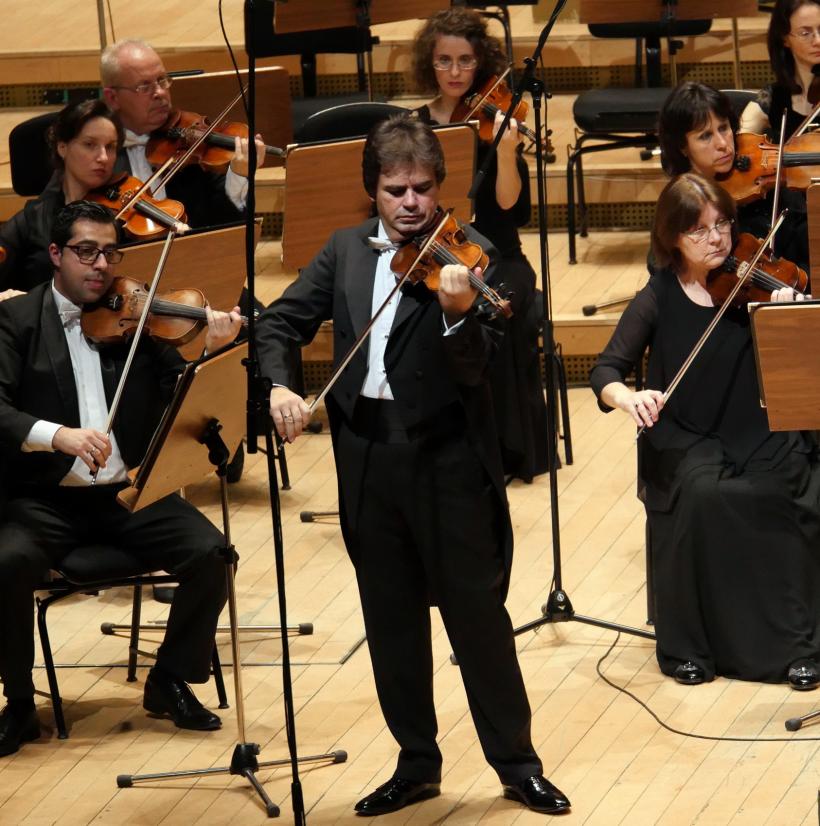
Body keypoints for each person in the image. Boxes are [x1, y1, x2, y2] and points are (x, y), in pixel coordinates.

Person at [255, 116, 570, 816]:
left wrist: (458, 315)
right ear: (374, 190)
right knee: (392, 623)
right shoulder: (343, 251)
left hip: (447, 459)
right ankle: (416, 762)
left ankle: (517, 764)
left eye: (422, 189)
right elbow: (278, 323)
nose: (410, 203)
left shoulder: (471, 257)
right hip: (367, 460)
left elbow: (481, 371)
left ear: (438, 188)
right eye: (395, 190)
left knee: (476, 621)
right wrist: (279, 383)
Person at [0, 200, 243, 757]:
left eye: (111, 252)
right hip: (44, 500)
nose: (101, 265)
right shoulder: (16, 321)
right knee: (7, 563)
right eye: (87, 252)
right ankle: (17, 703)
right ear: (56, 255)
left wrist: (211, 346)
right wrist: (56, 434)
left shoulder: (137, 321)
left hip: (127, 495)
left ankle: (169, 680)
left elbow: (177, 390)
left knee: (213, 554)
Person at [590, 173, 820, 689]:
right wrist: (630, 397)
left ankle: (799, 646)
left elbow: (802, 367)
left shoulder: (756, 284)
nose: (716, 240)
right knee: (701, 494)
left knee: (784, 489)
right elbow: (605, 371)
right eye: (699, 230)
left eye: (722, 225)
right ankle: (692, 646)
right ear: (672, 238)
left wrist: (786, 319)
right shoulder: (659, 295)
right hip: (688, 435)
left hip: (759, 427)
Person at [411, 7, 548, 482]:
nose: (454, 72)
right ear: (430, 64)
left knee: (499, 305)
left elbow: (510, 206)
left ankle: (506, 450)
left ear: (481, 63)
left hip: (498, 257)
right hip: (433, 254)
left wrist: (507, 152)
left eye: (465, 61)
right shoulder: (414, 126)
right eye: (444, 61)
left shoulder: (497, 123)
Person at [101, 38, 266, 230]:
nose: (160, 93)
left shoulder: (186, 146)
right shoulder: (97, 155)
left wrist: (239, 172)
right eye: (144, 87)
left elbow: (224, 220)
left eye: (162, 80)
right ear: (113, 98)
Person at [658, 81, 809, 275]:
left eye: (724, 128)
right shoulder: (681, 202)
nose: (723, 144)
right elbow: (661, 264)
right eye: (705, 136)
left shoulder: (769, 188)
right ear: (682, 146)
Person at [0, 99, 126, 300]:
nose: (103, 157)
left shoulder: (126, 216)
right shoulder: (33, 217)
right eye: (90, 144)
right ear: (62, 147)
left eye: (110, 147)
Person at [740, 0, 820, 142]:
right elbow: (739, 146)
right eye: (805, 33)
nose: (818, 40)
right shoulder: (773, 98)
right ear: (784, 39)